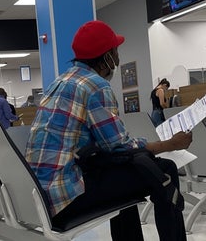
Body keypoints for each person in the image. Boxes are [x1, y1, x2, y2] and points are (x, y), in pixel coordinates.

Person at [25, 20, 192, 241]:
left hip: (42, 195)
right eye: (115, 50)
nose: (117, 55)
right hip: (66, 197)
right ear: (107, 57)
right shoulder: (95, 86)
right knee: (166, 169)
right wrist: (170, 145)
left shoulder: (60, 82)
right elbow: (118, 146)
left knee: (124, 173)